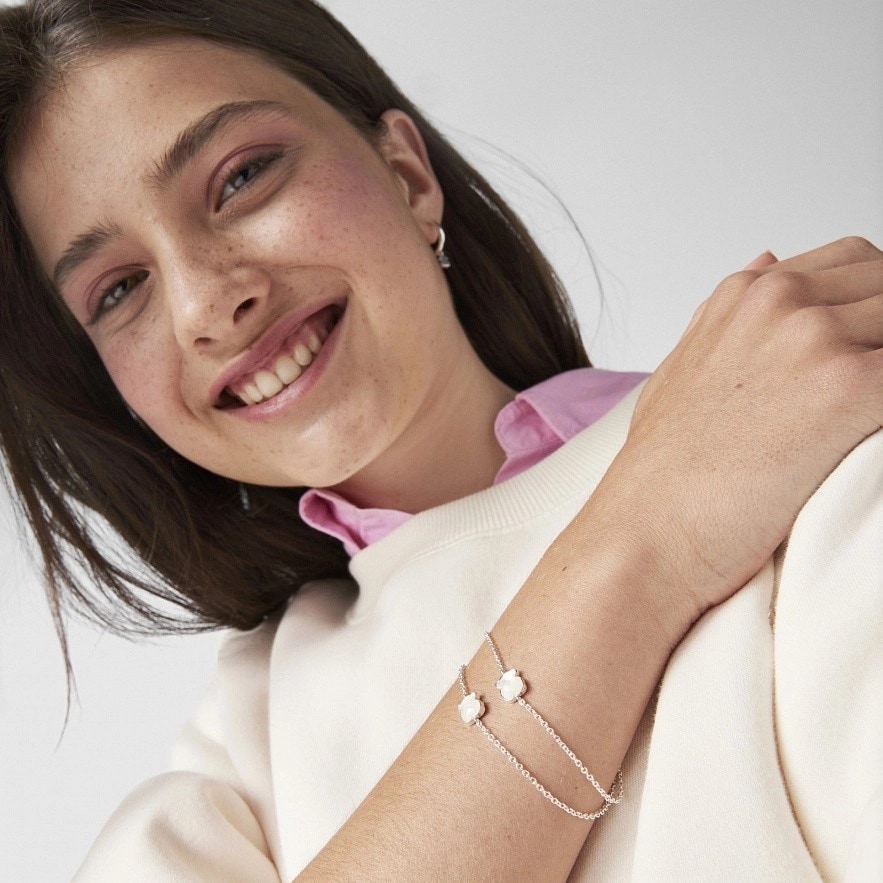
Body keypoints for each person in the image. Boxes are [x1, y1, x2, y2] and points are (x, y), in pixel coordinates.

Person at [0, 1, 880, 880]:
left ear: (407, 174)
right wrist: (644, 534)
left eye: (241, 179)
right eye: (118, 290)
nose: (206, 302)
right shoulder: (233, 757)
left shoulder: (800, 418)